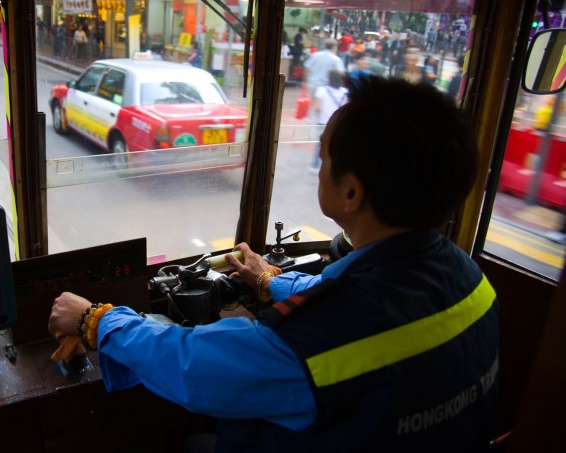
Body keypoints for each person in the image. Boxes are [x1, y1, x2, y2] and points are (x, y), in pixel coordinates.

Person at [49, 76, 498, 452]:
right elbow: (357, 300)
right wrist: (270, 281)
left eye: (323, 158)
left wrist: (96, 320)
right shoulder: (471, 282)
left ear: (351, 193)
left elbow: (190, 366)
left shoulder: (305, 346)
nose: (318, 165)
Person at [309, 69, 348, 172]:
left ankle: (315, 165)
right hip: (337, 123)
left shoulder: (322, 90)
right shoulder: (345, 92)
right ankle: (332, 167)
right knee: (335, 144)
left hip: (323, 122)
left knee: (320, 144)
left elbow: (316, 108)